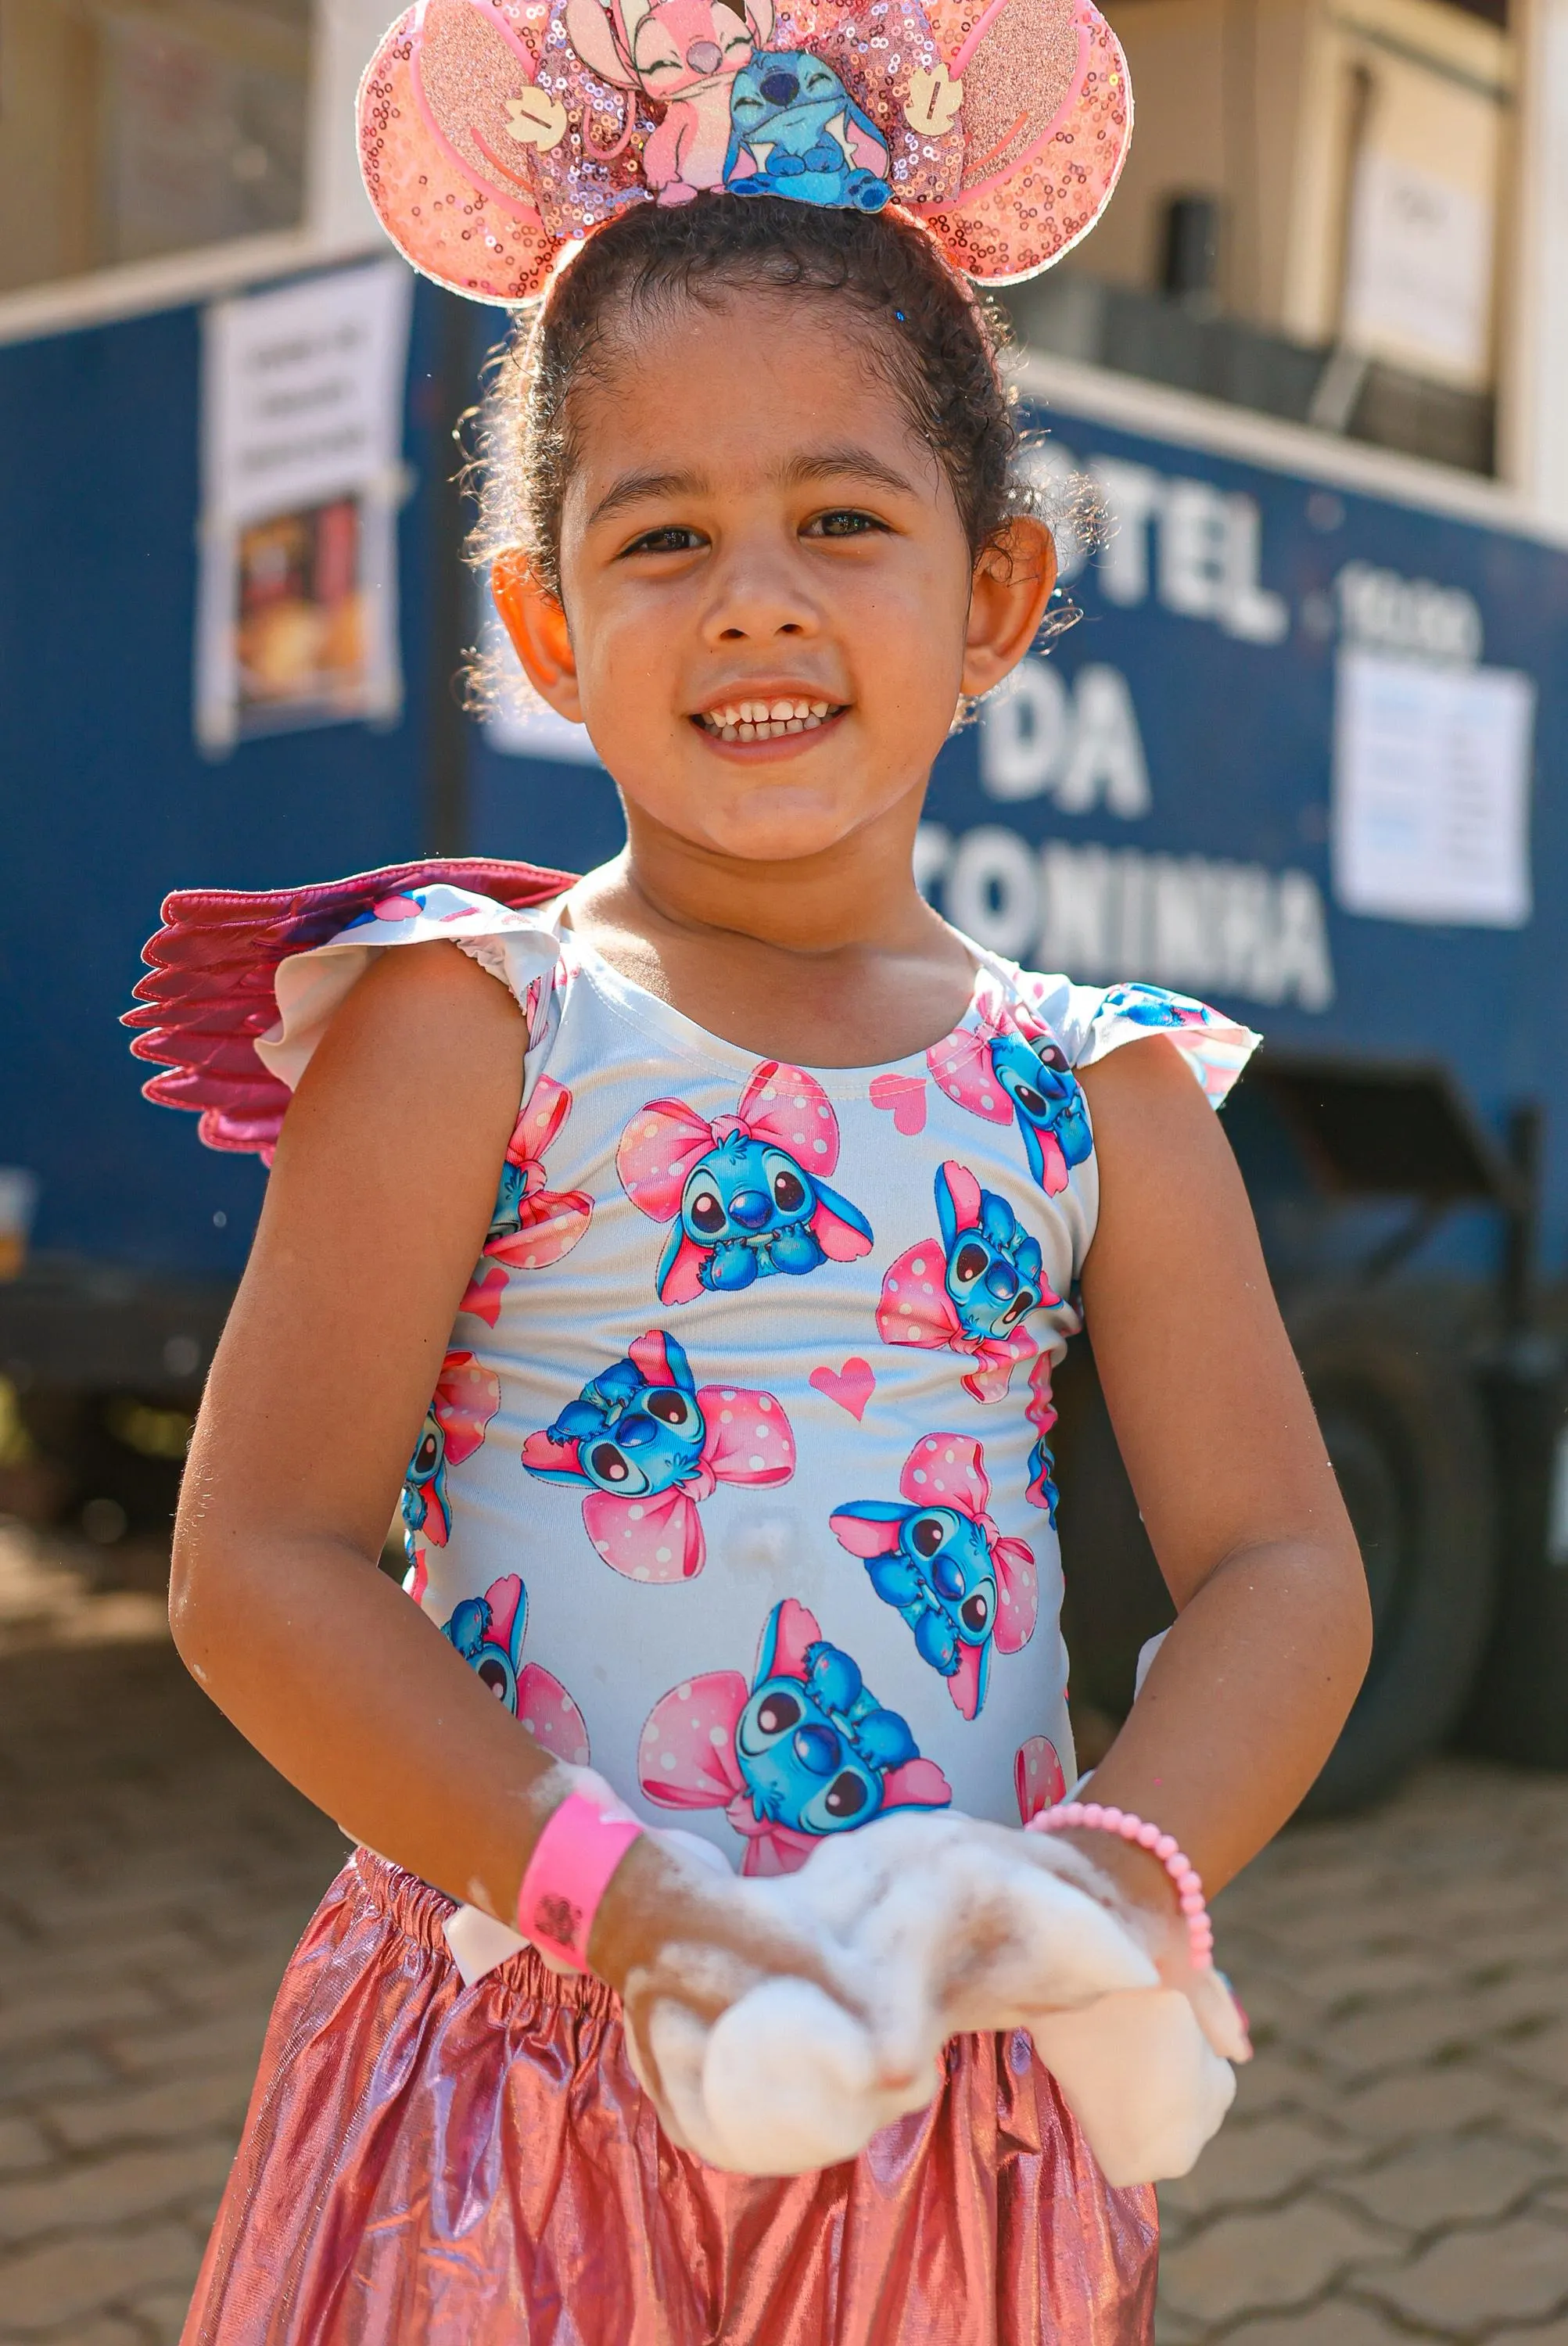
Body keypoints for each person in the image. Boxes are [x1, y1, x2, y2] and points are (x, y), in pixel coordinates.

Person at [135, 2, 1370, 2337]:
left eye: (844, 519)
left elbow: (1282, 1564)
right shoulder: (467, 1023)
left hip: (938, 2096)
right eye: (664, 535)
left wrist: (1110, 1886)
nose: (756, 600)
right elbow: (257, 1560)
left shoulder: (1090, 1087)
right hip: (515, 2089)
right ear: (544, 626)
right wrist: (631, 1911)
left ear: (992, 597)